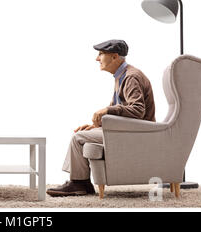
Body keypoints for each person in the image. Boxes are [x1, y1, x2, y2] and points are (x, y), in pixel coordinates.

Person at [46, 39, 156, 197]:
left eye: (101, 54)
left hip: (137, 133)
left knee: (78, 138)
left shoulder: (130, 77)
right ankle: (81, 183)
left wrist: (106, 110)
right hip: (130, 130)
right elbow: (124, 112)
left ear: (114, 57)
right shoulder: (122, 75)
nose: (97, 58)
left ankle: (79, 184)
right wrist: (96, 127)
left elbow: (137, 110)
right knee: (82, 135)